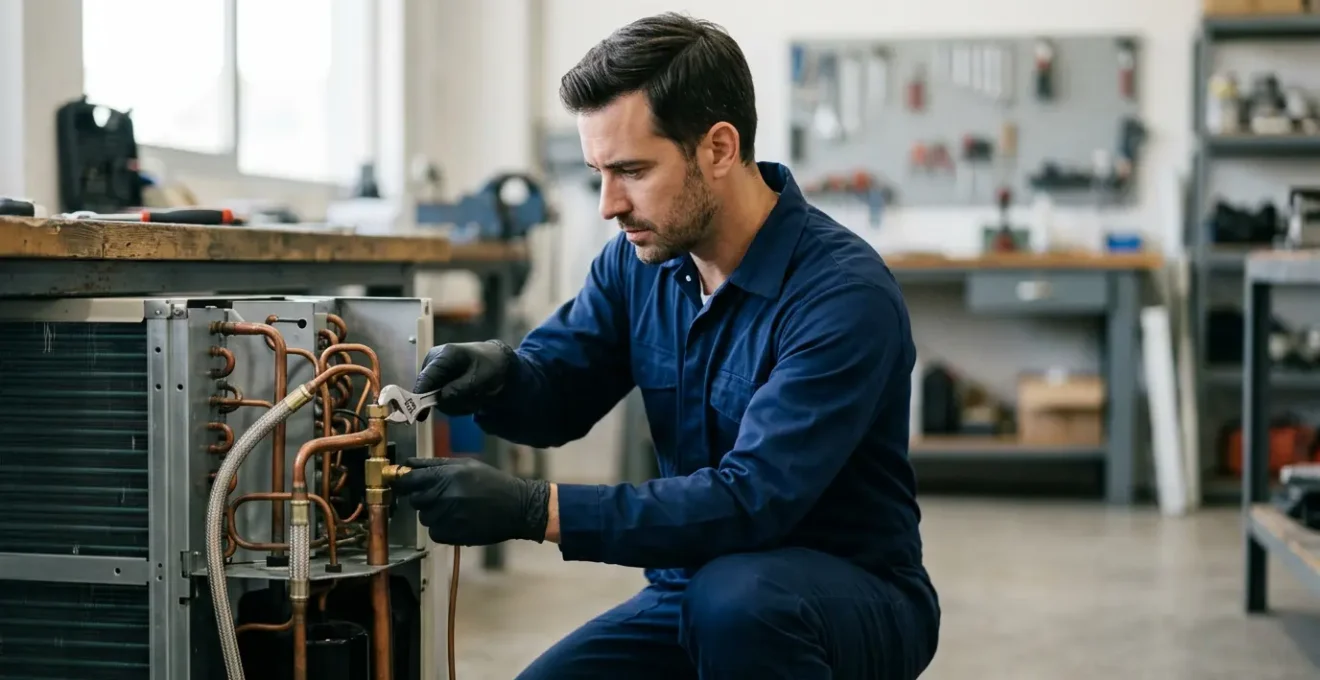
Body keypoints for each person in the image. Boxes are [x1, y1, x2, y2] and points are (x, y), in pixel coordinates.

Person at [392, 12, 940, 679]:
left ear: (718, 149)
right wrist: (500, 376)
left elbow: (752, 501)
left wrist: (538, 510)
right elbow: (559, 393)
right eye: (598, 172)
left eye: (630, 171)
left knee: (737, 605)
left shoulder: (841, 297)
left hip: (840, 597)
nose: (608, 205)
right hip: (693, 587)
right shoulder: (638, 263)